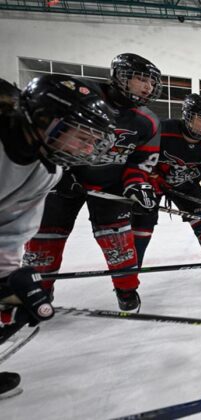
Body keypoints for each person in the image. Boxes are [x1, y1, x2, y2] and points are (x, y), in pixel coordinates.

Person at [1, 74, 117, 399]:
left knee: (14, 306)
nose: (88, 149)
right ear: (45, 122)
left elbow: (12, 228)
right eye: (83, 137)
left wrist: (7, 279)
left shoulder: (44, 172)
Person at [23, 53, 162, 311]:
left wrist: (136, 184)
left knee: (119, 241)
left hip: (109, 186)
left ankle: (126, 290)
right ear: (121, 75)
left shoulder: (149, 121)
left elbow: (141, 161)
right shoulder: (84, 94)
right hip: (61, 180)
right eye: (141, 79)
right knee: (45, 239)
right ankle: (37, 293)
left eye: (152, 83)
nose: (148, 87)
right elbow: (49, 133)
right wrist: (60, 172)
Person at [131, 93, 201, 280]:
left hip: (186, 185)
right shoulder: (161, 130)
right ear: (187, 116)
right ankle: (130, 272)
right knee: (142, 222)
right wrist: (148, 177)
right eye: (200, 118)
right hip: (153, 183)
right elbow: (138, 158)